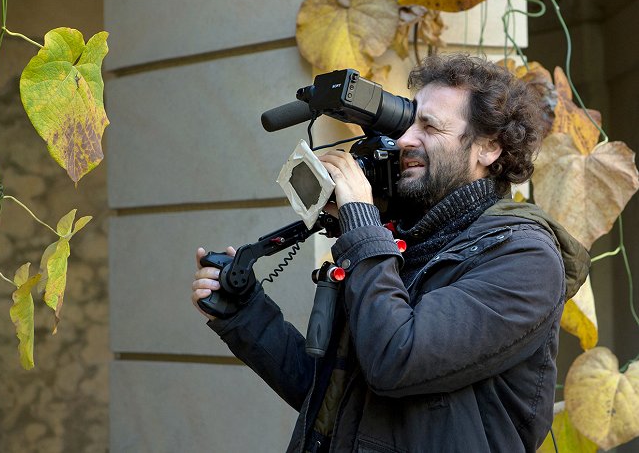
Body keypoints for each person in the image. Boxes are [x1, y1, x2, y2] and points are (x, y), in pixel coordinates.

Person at [191, 53, 590, 452]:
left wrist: (361, 222)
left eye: (430, 126)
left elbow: (396, 359)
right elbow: (334, 401)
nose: (404, 140)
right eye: (411, 121)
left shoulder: (526, 259)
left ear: (488, 148)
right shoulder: (403, 240)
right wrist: (246, 314)